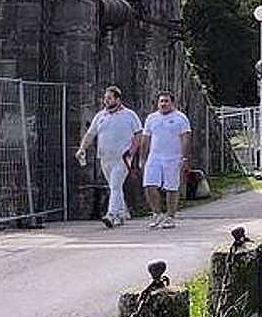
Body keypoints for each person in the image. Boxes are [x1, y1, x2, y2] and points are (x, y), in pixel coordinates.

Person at [76, 85, 142, 228]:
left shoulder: (130, 115)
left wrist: (132, 151)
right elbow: (90, 134)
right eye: (105, 98)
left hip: (123, 157)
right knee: (114, 187)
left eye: (110, 98)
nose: (106, 101)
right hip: (105, 157)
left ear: (118, 99)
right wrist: (82, 148)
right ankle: (122, 213)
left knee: (115, 185)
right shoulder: (100, 116)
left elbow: (138, 134)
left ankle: (111, 215)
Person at [140, 90, 192, 230]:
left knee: (171, 187)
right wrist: (142, 157)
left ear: (172, 103)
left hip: (173, 158)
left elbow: (185, 138)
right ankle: (157, 214)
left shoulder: (180, 118)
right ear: (157, 103)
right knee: (149, 185)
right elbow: (145, 139)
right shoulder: (151, 118)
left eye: (166, 101)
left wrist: (185, 158)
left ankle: (170, 217)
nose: (163, 104)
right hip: (154, 157)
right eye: (161, 101)